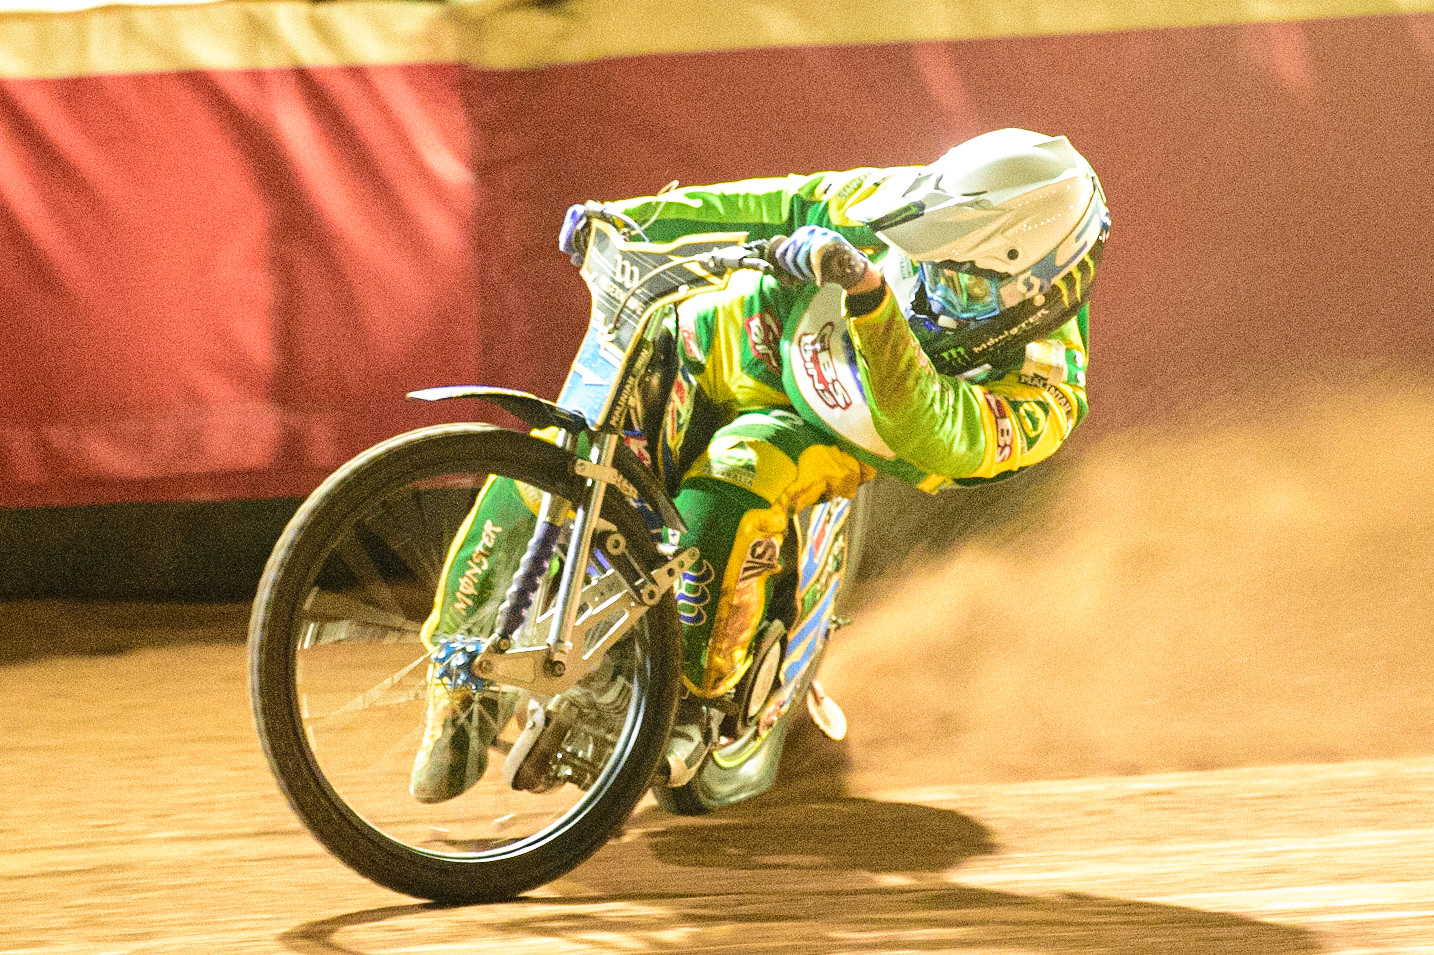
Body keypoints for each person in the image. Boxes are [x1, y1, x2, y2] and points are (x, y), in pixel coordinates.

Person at [410, 127, 1110, 803]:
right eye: (929, 264)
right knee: (559, 460)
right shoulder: (912, 202)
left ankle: (691, 696)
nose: (934, 291)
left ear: (1038, 291)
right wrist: (633, 220)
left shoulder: (1044, 393)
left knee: (734, 479)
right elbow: (783, 200)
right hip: (728, 335)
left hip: (823, 428)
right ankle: (462, 662)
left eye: (965, 285)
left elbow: (928, 426)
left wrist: (868, 297)